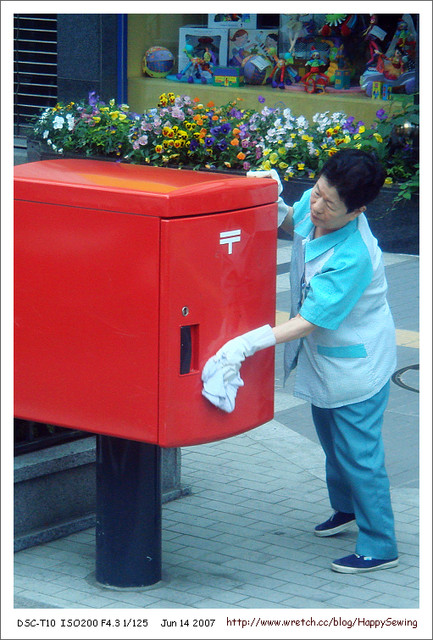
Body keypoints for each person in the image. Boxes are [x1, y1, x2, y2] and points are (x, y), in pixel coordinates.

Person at [201, 149, 399, 574]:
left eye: (330, 203)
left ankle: (380, 544)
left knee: (359, 456)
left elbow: (310, 321)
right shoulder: (319, 206)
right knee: (333, 443)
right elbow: (295, 220)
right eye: (317, 192)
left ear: (357, 211)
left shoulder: (354, 256)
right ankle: (346, 509)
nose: (317, 206)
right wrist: (271, 198)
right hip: (329, 362)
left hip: (357, 368)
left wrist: (245, 344)